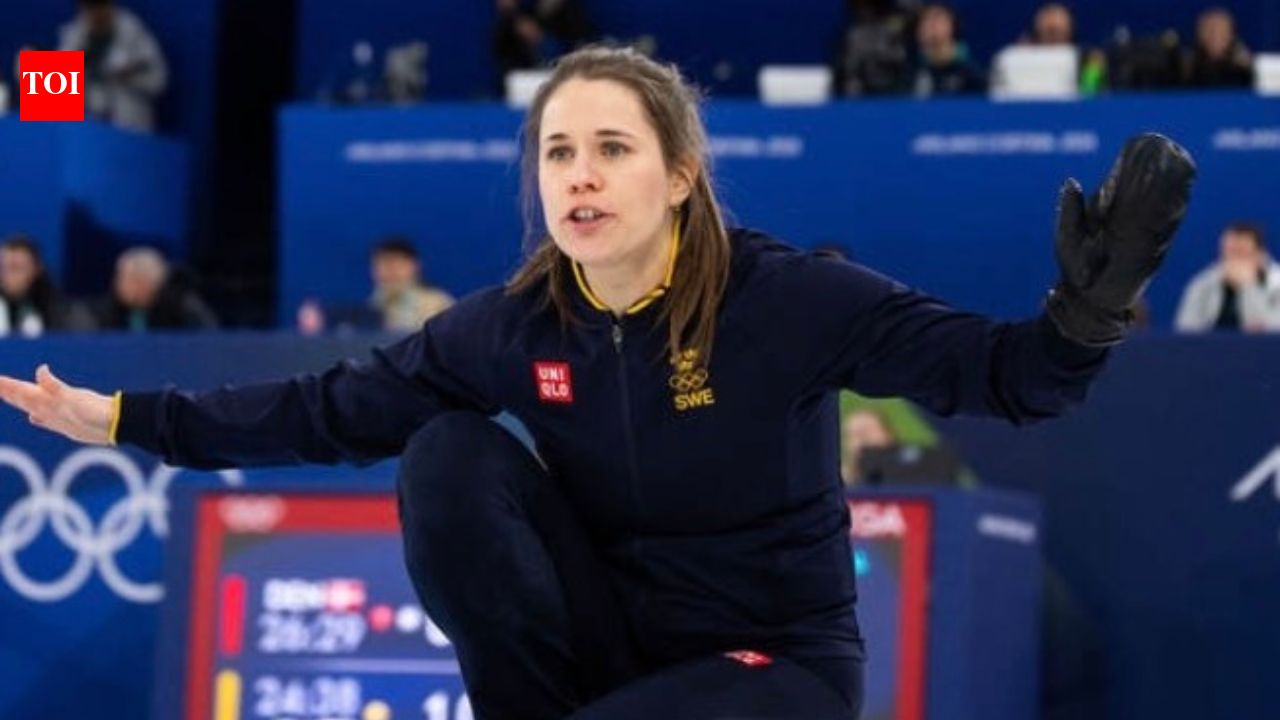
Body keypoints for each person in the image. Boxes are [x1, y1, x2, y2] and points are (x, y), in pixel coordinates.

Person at [0, 45, 1194, 720]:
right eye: (558, 151)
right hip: (603, 653)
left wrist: (1084, 313)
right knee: (446, 453)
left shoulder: (787, 300)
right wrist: (120, 418)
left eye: (611, 148)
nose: (578, 174)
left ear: (678, 175)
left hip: (769, 670)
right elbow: (330, 409)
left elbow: (1011, 381)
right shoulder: (514, 325)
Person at [57, 0, 168, 132]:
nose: (96, 14)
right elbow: (54, 95)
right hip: (86, 131)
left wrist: (129, 74)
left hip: (128, 128)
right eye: (89, 8)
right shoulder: (74, 37)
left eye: (100, 7)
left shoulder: (133, 33)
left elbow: (159, 82)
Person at [1174, 222, 1280, 333]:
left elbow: (1269, 332)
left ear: (1259, 255)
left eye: (1241, 252)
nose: (1234, 260)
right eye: (1229, 252)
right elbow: (1186, 329)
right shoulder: (1204, 283)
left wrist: (1248, 286)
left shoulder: (1277, 284)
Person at [90, 246, 218, 331]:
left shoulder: (184, 307)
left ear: (151, 282)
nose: (119, 285)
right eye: (120, 278)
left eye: (131, 280)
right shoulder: (105, 310)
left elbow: (208, 341)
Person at [369, 238, 455, 331]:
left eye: (397, 264)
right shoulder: (374, 304)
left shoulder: (437, 304)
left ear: (415, 266)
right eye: (383, 264)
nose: (391, 271)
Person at [0, 234, 75, 336]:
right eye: (2, 267)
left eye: (15, 267)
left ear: (36, 269)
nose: (6, 274)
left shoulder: (60, 312)